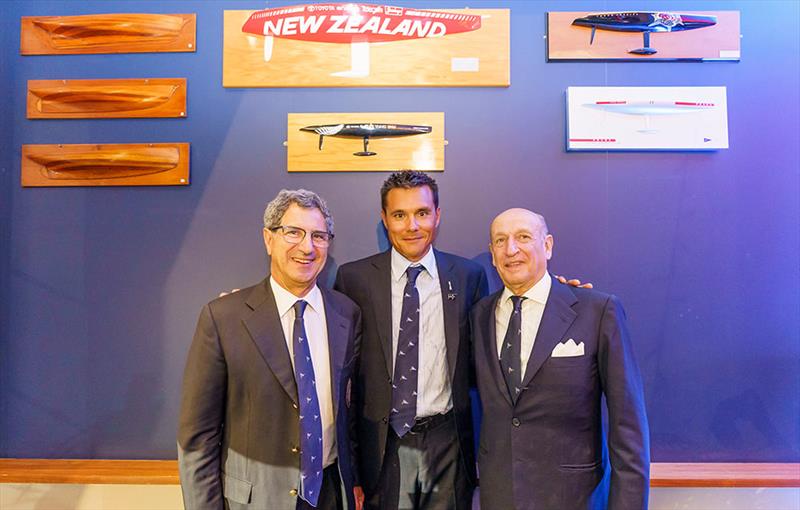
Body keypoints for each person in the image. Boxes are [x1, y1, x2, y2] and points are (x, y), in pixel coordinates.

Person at [178, 189, 365, 510]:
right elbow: (197, 439)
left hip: (332, 494)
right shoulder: (224, 318)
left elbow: (350, 411)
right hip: (255, 501)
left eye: (319, 236)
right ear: (269, 239)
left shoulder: (346, 314)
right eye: (294, 232)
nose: (307, 247)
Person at [470, 208, 650, 510]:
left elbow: (628, 427)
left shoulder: (596, 311)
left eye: (523, 237)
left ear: (548, 245)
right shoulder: (479, 315)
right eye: (500, 240)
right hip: (499, 496)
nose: (511, 249)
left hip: (574, 498)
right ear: (492, 253)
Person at [334, 171, 488, 510]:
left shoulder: (468, 277)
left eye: (421, 213)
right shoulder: (353, 279)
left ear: (437, 215)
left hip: (448, 440)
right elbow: (341, 374)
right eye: (399, 215)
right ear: (384, 219)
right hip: (384, 444)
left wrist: (558, 296)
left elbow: (492, 345)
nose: (411, 226)